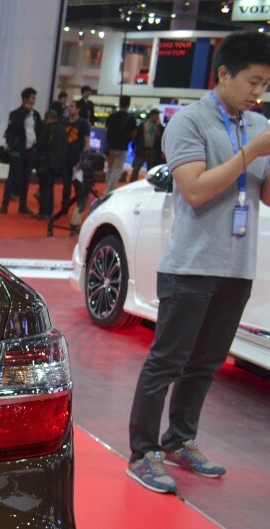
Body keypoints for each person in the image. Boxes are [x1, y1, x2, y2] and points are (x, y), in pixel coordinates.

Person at [126, 29, 270, 494]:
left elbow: (264, 195)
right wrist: (252, 153)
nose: (258, 92)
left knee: (205, 365)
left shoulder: (256, 125)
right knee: (167, 362)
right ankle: (143, 452)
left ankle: (180, 440)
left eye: (266, 84)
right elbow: (195, 189)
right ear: (223, 74)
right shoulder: (189, 122)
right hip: (190, 267)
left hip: (236, 267)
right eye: (253, 81)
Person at [0, 87, 39, 214]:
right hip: (17, 150)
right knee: (12, 178)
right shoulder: (15, 113)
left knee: (26, 179)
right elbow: (14, 128)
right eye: (32, 98)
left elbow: (39, 129)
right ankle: (4, 205)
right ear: (25, 99)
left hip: (30, 150)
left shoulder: (36, 115)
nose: (34, 101)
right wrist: (23, 112)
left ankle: (23, 205)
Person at [60, 101, 91, 220]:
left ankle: (79, 211)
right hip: (65, 157)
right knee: (66, 185)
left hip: (77, 158)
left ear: (78, 109)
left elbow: (86, 141)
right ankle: (64, 209)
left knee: (78, 186)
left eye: (72, 107)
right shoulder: (64, 121)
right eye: (69, 106)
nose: (70, 109)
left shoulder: (83, 123)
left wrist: (82, 158)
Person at [103, 95, 137, 194]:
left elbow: (106, 130)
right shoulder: (130, 118)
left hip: (110, 146)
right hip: (122, 146)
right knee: (117, 170)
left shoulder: (112, 116)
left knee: (109, 168)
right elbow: (133, 134)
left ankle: (108, 189)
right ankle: (109, 191)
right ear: (128, 104)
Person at [33, 109, 61, 217]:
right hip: (56, 164)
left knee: (44, 188)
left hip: (46, 163)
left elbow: (40, 145)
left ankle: (44, 212)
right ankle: (49, 211)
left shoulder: (48, 129)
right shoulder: (62, 130)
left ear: (48, 118)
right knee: (50, 188)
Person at [131, 108, 165, 181]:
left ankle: (149, 183)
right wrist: (135, 147)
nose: (157, 117)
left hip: (153, 151)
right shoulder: (143, 125)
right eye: (156, 115)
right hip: (142, 150)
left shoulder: (159, 127)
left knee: (151, 170)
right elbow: (136, 138)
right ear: (151, 115)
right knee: (136, 168)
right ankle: (132, 182)